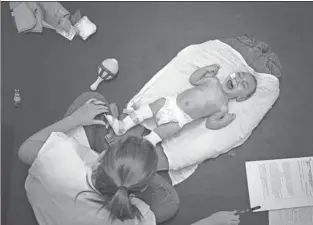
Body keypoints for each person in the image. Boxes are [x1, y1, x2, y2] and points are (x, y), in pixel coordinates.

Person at [18, 92, 241, 225]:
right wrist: (211, 222)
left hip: (46, 205)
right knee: (169, 203)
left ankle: (105, 131)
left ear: (103, 155)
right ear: (139, 191)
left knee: (91, 99)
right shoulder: (136, 219)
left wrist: (75, 120)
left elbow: (24, 150)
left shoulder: (62, 159)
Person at [106, 64, 257, 146]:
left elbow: (210, 124)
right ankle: (122, 126)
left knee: (169, 130)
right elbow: (194, 80)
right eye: (238, 75)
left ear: (241, 98)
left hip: (180, 119)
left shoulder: (223, 107)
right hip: (170, 102)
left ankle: (144, 145)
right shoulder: (213, 81)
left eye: (243, 85)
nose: (237, 80)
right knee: (154, 106)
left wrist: (225, 120)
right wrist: (205, 70)